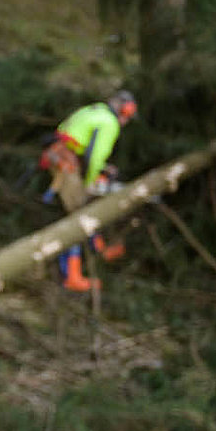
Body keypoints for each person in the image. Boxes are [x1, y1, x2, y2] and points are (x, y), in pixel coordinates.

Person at [38, 90, 137, 291]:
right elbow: (93, 156)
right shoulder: (110, 123)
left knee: (86, 207)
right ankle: (71, 276)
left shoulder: (96, 110)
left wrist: (102, 170)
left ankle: (99, 248)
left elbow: (80, 143)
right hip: (67, 164)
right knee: (77, 216)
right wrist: (91, 181)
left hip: (60, 155)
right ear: (124, 112)